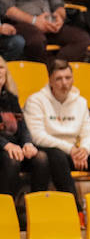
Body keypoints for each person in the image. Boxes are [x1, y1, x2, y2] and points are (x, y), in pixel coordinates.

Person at [23, 59, 90, 195]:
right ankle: (76, 209)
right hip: (53, 153)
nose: (64, 83)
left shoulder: (80, 102)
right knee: (56, 154)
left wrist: (84, 150)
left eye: (68, 78)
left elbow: (89, 133)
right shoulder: (35, 100)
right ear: (50, 80)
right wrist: (70, 149)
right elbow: (37, 136)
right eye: (59, 79)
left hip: (75, 155)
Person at [0, 56, 49, 204]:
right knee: (11, 161)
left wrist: (27, 143)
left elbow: (23, 127)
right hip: (3, 149)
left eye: (1, 67)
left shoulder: (11, 98)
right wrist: (5, 145)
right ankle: (7, 208)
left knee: (41, 158)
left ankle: (35, 208)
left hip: (15, 149)